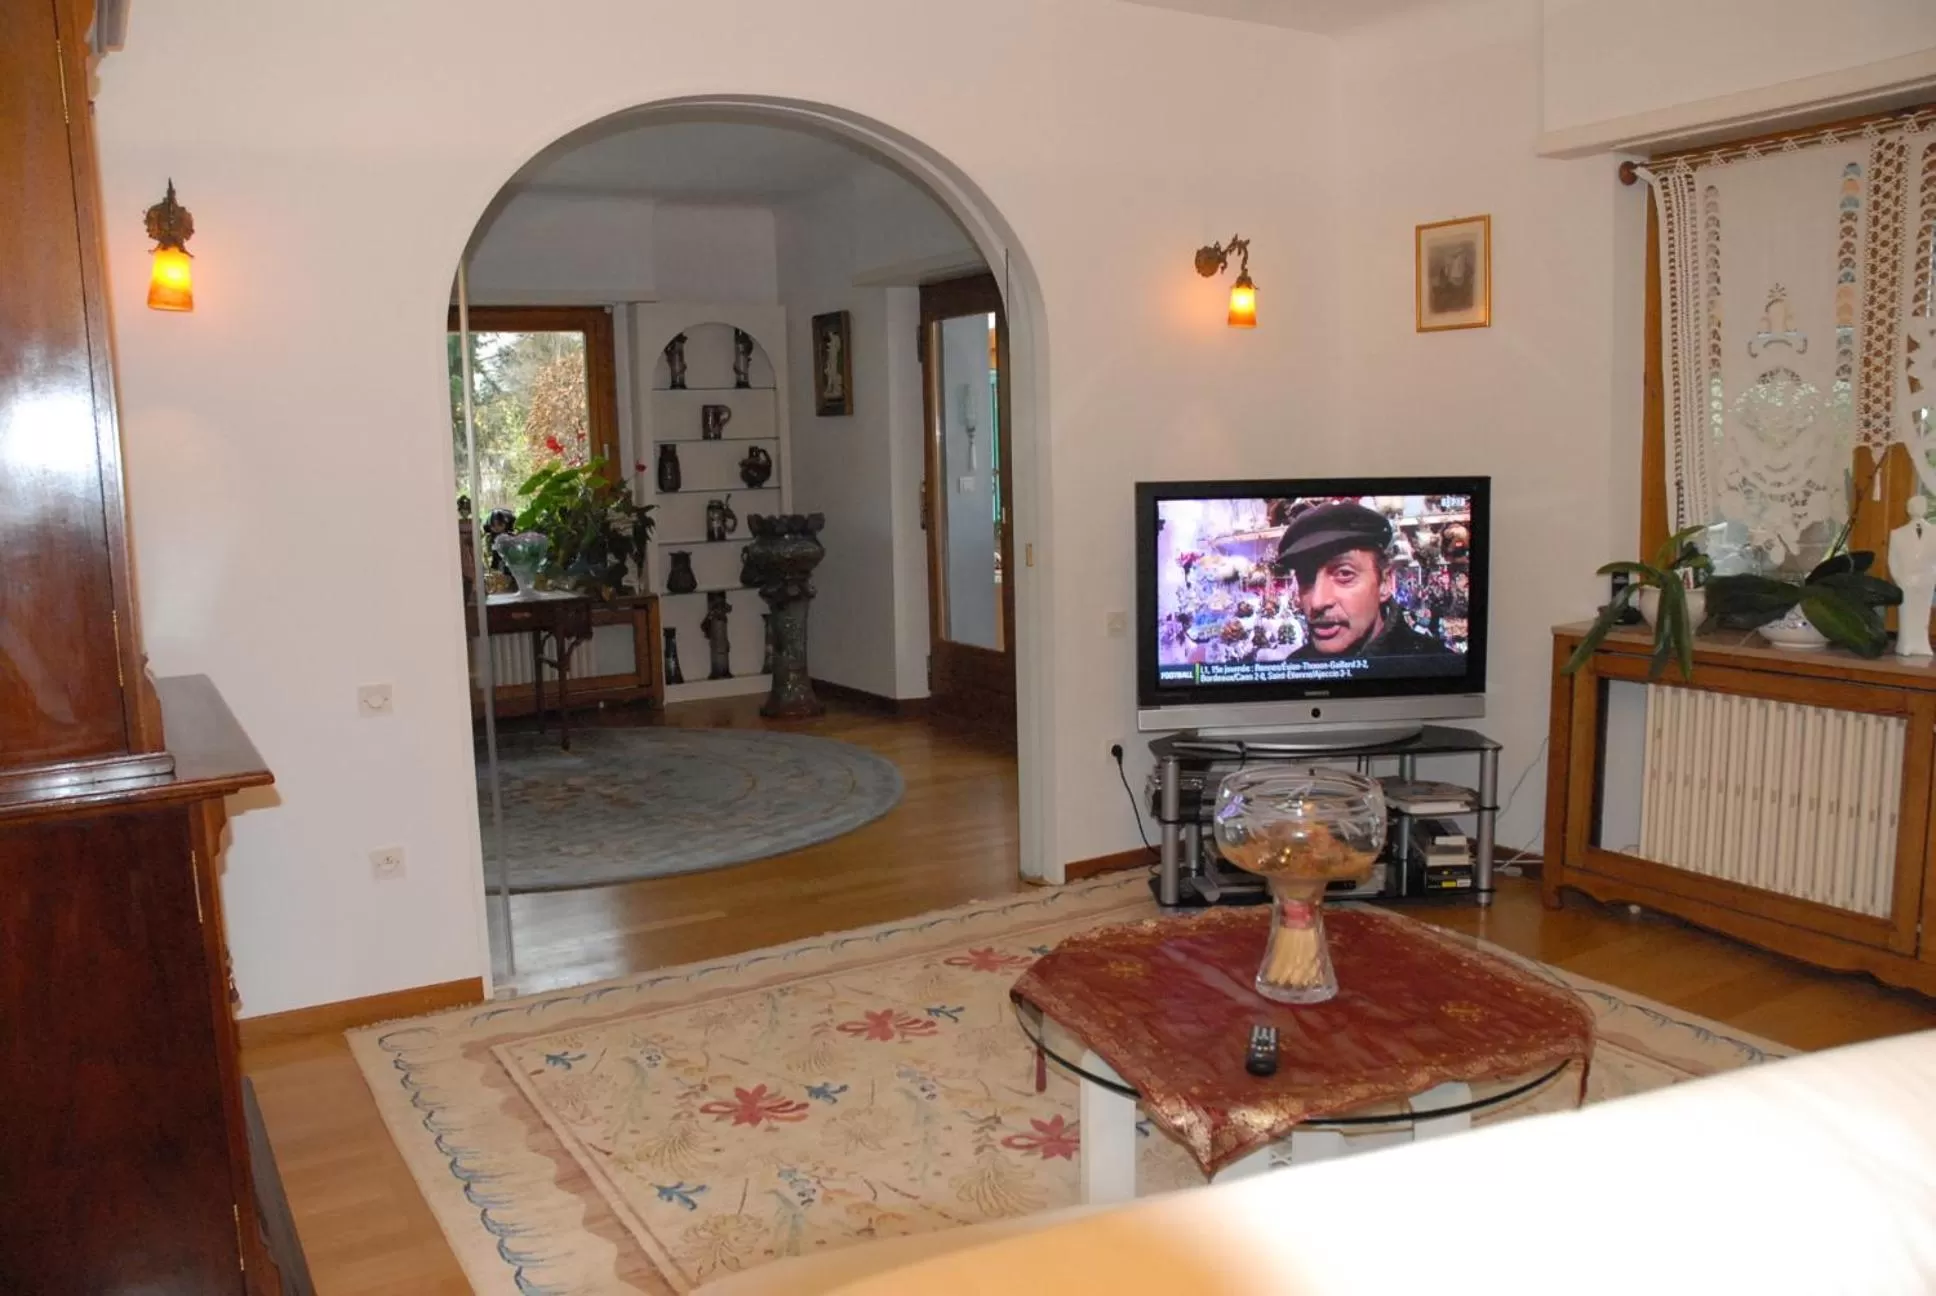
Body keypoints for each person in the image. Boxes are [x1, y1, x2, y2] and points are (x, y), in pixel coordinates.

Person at [1275, 501, 1450, 658]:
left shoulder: (1437, 665)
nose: (1317, 602)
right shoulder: (1293, 668)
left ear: (1384, 582)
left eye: (1344, 574)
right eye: (1306, 578)